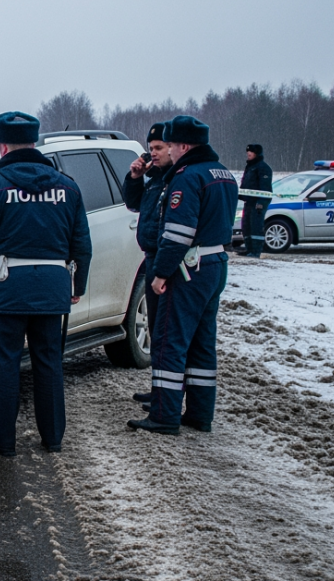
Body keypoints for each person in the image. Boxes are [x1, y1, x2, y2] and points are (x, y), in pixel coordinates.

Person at [0, 112, 92, 456]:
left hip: (9, 287)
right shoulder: (67, 186)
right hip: (52, 286)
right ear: (34, 143)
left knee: (6, 363)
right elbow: (81, 243)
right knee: (49, 362)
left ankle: (2, 441)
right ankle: (53, 438)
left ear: (2, 146)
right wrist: (78, 286)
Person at [128, 115, 238, 435]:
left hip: (189, 267)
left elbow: (178, 234)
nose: (169, 151)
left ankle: (164, 415)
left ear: (184, 146)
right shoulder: (223, 173)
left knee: (168, 340)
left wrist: (161, 273)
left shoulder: (187, 177)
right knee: (202, 343)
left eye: (172, 145)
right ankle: (200, 414)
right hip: (215, 263)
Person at [121, 122, 172, 405]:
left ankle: (166, 395)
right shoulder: (155, 178)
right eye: (150, 148)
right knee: (156, 330)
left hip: (166, 260)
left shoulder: (175, 179)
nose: (153, 153)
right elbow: (134, 203)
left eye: (159, 148)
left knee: (165, 332)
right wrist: (134, 177)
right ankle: (159, 388)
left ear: (173, 148)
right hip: (151, 257)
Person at [238, 144, 273, 257]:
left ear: (257, 153)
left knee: (256, 226)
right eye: (247, 151)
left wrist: (261, 202)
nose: (248, 153)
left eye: (251, 152)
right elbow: (246, 183)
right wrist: (240, 194)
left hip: (258, 203)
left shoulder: (263, 168)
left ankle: (256, 251)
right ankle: (249, 249)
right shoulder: (249, 167)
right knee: (246, 226)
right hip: (248, 201)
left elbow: (265, 188)